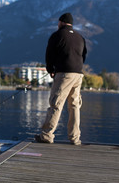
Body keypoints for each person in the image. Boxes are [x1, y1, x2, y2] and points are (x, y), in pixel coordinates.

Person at [35, 13, 87, 145]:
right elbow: (83, 55)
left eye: (58, 22)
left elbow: (49, 55)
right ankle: (75, 138)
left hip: (64, 73)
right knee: (74, 105)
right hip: (78, 74)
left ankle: (46, 135)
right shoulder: (80, 37)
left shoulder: (57, 35)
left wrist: (50, 70)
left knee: (56, 103)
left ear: (61, 22)